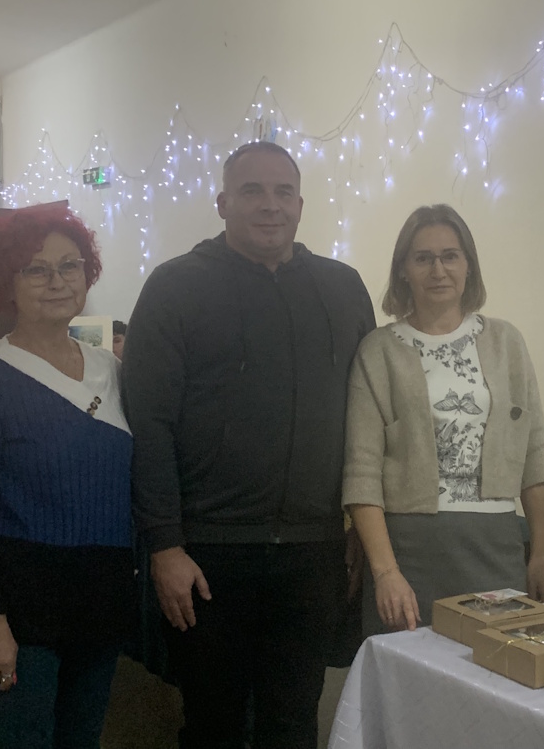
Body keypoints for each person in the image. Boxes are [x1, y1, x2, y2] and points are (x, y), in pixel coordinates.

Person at [122, 141, 375, 749]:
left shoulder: (342, 288)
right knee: (214, 725)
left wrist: (360, 529)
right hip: (209, 555)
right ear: (222, 202)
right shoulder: (176, 286)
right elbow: (149, 424)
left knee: (293, 723)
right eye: (252, 191)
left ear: (301, 204)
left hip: (313, 554)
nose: (270, 205)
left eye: (283, 192)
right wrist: (165, 546)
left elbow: (369, 416)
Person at [0, 203, 135, 748]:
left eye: (70, 265)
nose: (57, 280)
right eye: (36, 268)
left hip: (101, 606)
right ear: (8, 281)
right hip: (22, 618)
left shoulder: (112, 371)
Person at [343, 204, 544, 636]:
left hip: (495, 547)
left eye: (450, 256)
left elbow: (534, 453)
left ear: (468, 265)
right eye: (423, 258)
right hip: (409, 553)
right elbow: (362, 472)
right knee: (409, 669)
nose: (438, 270)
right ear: (403, 270)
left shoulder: (506, 343)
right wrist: (386, 572)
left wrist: (538, 555)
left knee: (498, 665)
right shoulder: (378, 351)